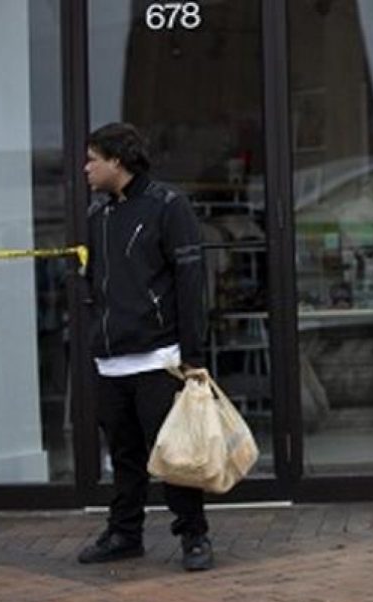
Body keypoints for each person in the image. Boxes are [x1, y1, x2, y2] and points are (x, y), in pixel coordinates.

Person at [77, 122, 213, 571]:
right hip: (111, 360)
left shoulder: (168, 206)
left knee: (175, 454)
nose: (86, 168)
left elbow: (191, 281)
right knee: (124, 455)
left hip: (161, 357)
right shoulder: (99, 216)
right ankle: (124, 533)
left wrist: (193, 356)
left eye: (93, 159)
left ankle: (194, 534)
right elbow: (94, 283)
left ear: (117, 160)